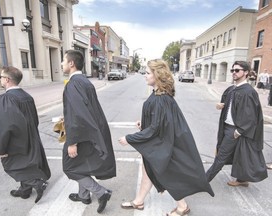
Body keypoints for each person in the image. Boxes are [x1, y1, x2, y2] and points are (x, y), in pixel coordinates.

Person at [118, 59, 214, 216]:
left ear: (157, 75)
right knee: (148, 171)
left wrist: (129, 138)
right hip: (161, 142)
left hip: (162, 144)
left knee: (165, 173)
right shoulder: (160, 95)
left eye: (148, 73)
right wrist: (144, 122)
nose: (145, 76)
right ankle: (139, 201)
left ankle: (182, 207)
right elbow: (160, 121)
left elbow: (155, 129)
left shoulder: (161, 99)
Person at [61, 50, 116, 214]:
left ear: (71, 63)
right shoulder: (84, 81)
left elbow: (77, 114)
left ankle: (101, 192)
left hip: (82, 133)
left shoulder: (73, 84)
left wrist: (72, 142)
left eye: (64, 60)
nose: (62, 64)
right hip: (90, 131)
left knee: (70, 167)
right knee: (80, 164)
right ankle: (83, 195)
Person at [206, 61, 268, 186]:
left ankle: (202, 181)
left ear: (246, 73)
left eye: (237, 70)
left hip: (235, 130)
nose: (234, 72)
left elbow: (250, 116)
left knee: (221, 157)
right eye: (232, 70)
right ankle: (242, 179)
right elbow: (231, 105)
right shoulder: (233, 89)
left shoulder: (248, 92)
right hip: (227, 127)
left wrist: (238, 131)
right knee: (239, 155)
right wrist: (221, 105)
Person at [0, 66, 51, 203]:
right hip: (31, 136)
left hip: (16, 141)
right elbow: (35, 119)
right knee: (26, 163)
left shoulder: (5, 99)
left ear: (7, 79)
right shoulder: (27, 96)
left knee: (12, 165)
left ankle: (37, 183)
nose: (0, 79)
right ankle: (24, 191)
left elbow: (5, 126)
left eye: (1, 77)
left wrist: (2, 148)